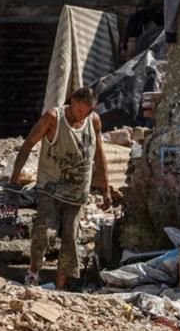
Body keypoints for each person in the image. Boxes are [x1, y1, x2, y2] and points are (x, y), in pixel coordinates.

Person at [9, 86, 110, 290]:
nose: (84, 115)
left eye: (88, 111)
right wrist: (13, 180)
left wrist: (106, 188)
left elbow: (99, 155)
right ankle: (33, 273)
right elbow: (28, 145)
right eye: (81, 110)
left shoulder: (94, 121)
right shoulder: (53, 118)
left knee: (71, 238)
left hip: (77, 192)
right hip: (50, 187)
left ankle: (60, 287)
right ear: (73, 101)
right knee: (45, 231)